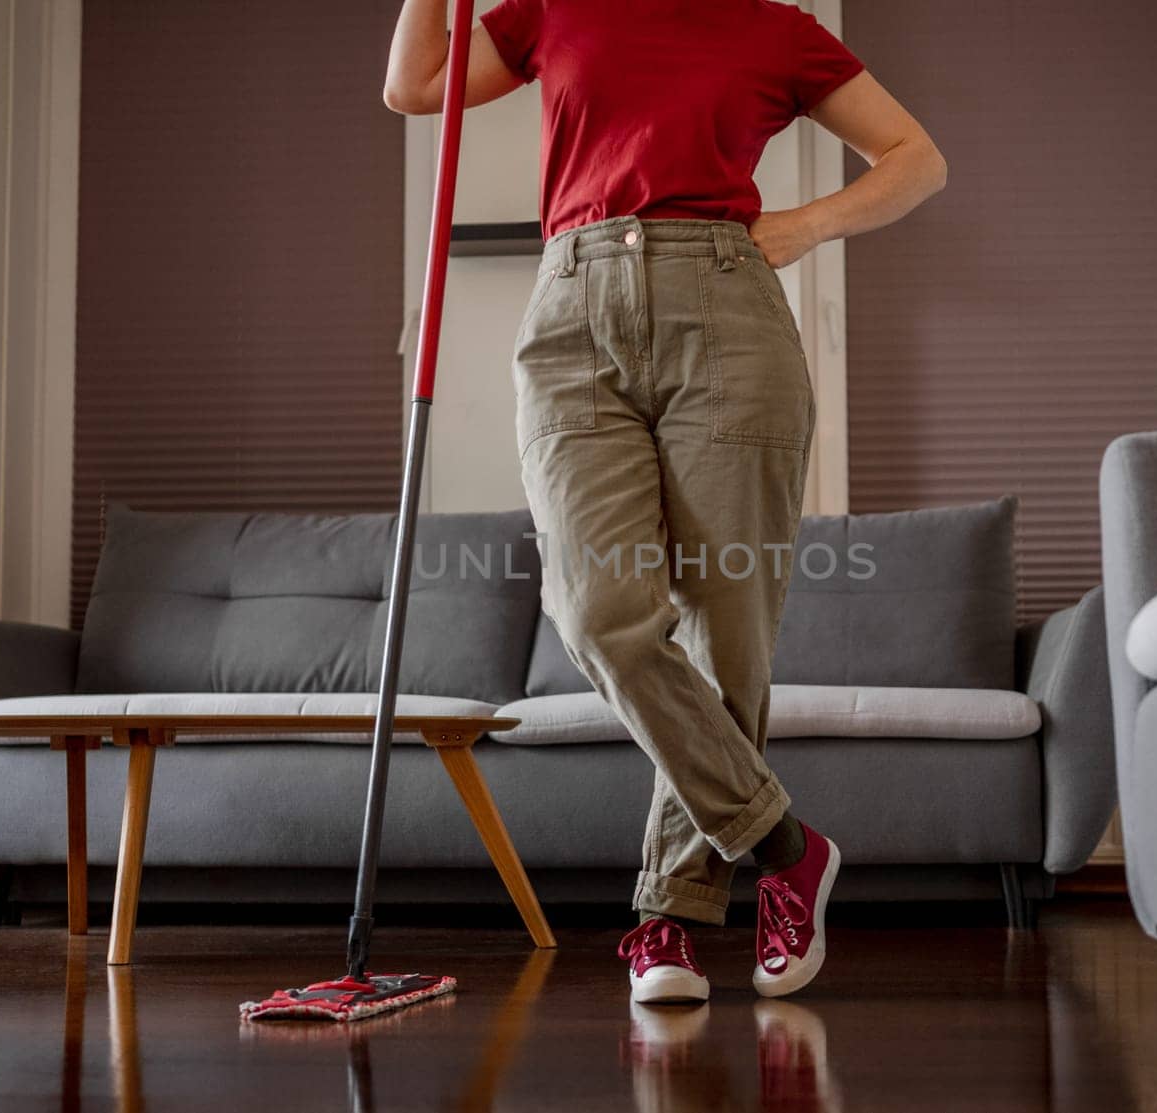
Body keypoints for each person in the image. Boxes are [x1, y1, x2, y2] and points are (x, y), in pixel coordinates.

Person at [385, 0, 947, 1004]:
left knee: (727, 630)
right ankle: (787, 847)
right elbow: (415, 88)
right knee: (599, 616)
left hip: (727, 307)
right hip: (570, 314)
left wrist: (804, 228)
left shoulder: (775, 29)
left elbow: (915, 157)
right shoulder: (551, 12)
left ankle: (671, 923)